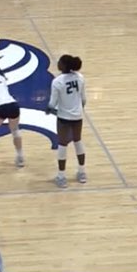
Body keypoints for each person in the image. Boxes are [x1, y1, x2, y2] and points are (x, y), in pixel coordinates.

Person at [47, 54, 87, 188]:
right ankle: (82, 173)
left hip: (64, 117)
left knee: (63, 145)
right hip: (78, 116)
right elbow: (84, 99)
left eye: (59, 62)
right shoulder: (80, 78)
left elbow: (52, 104)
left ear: (64, 66)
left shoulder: (57, 81)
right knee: (78, 141)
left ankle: (61, 176)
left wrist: (48, 110)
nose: (57, 63)